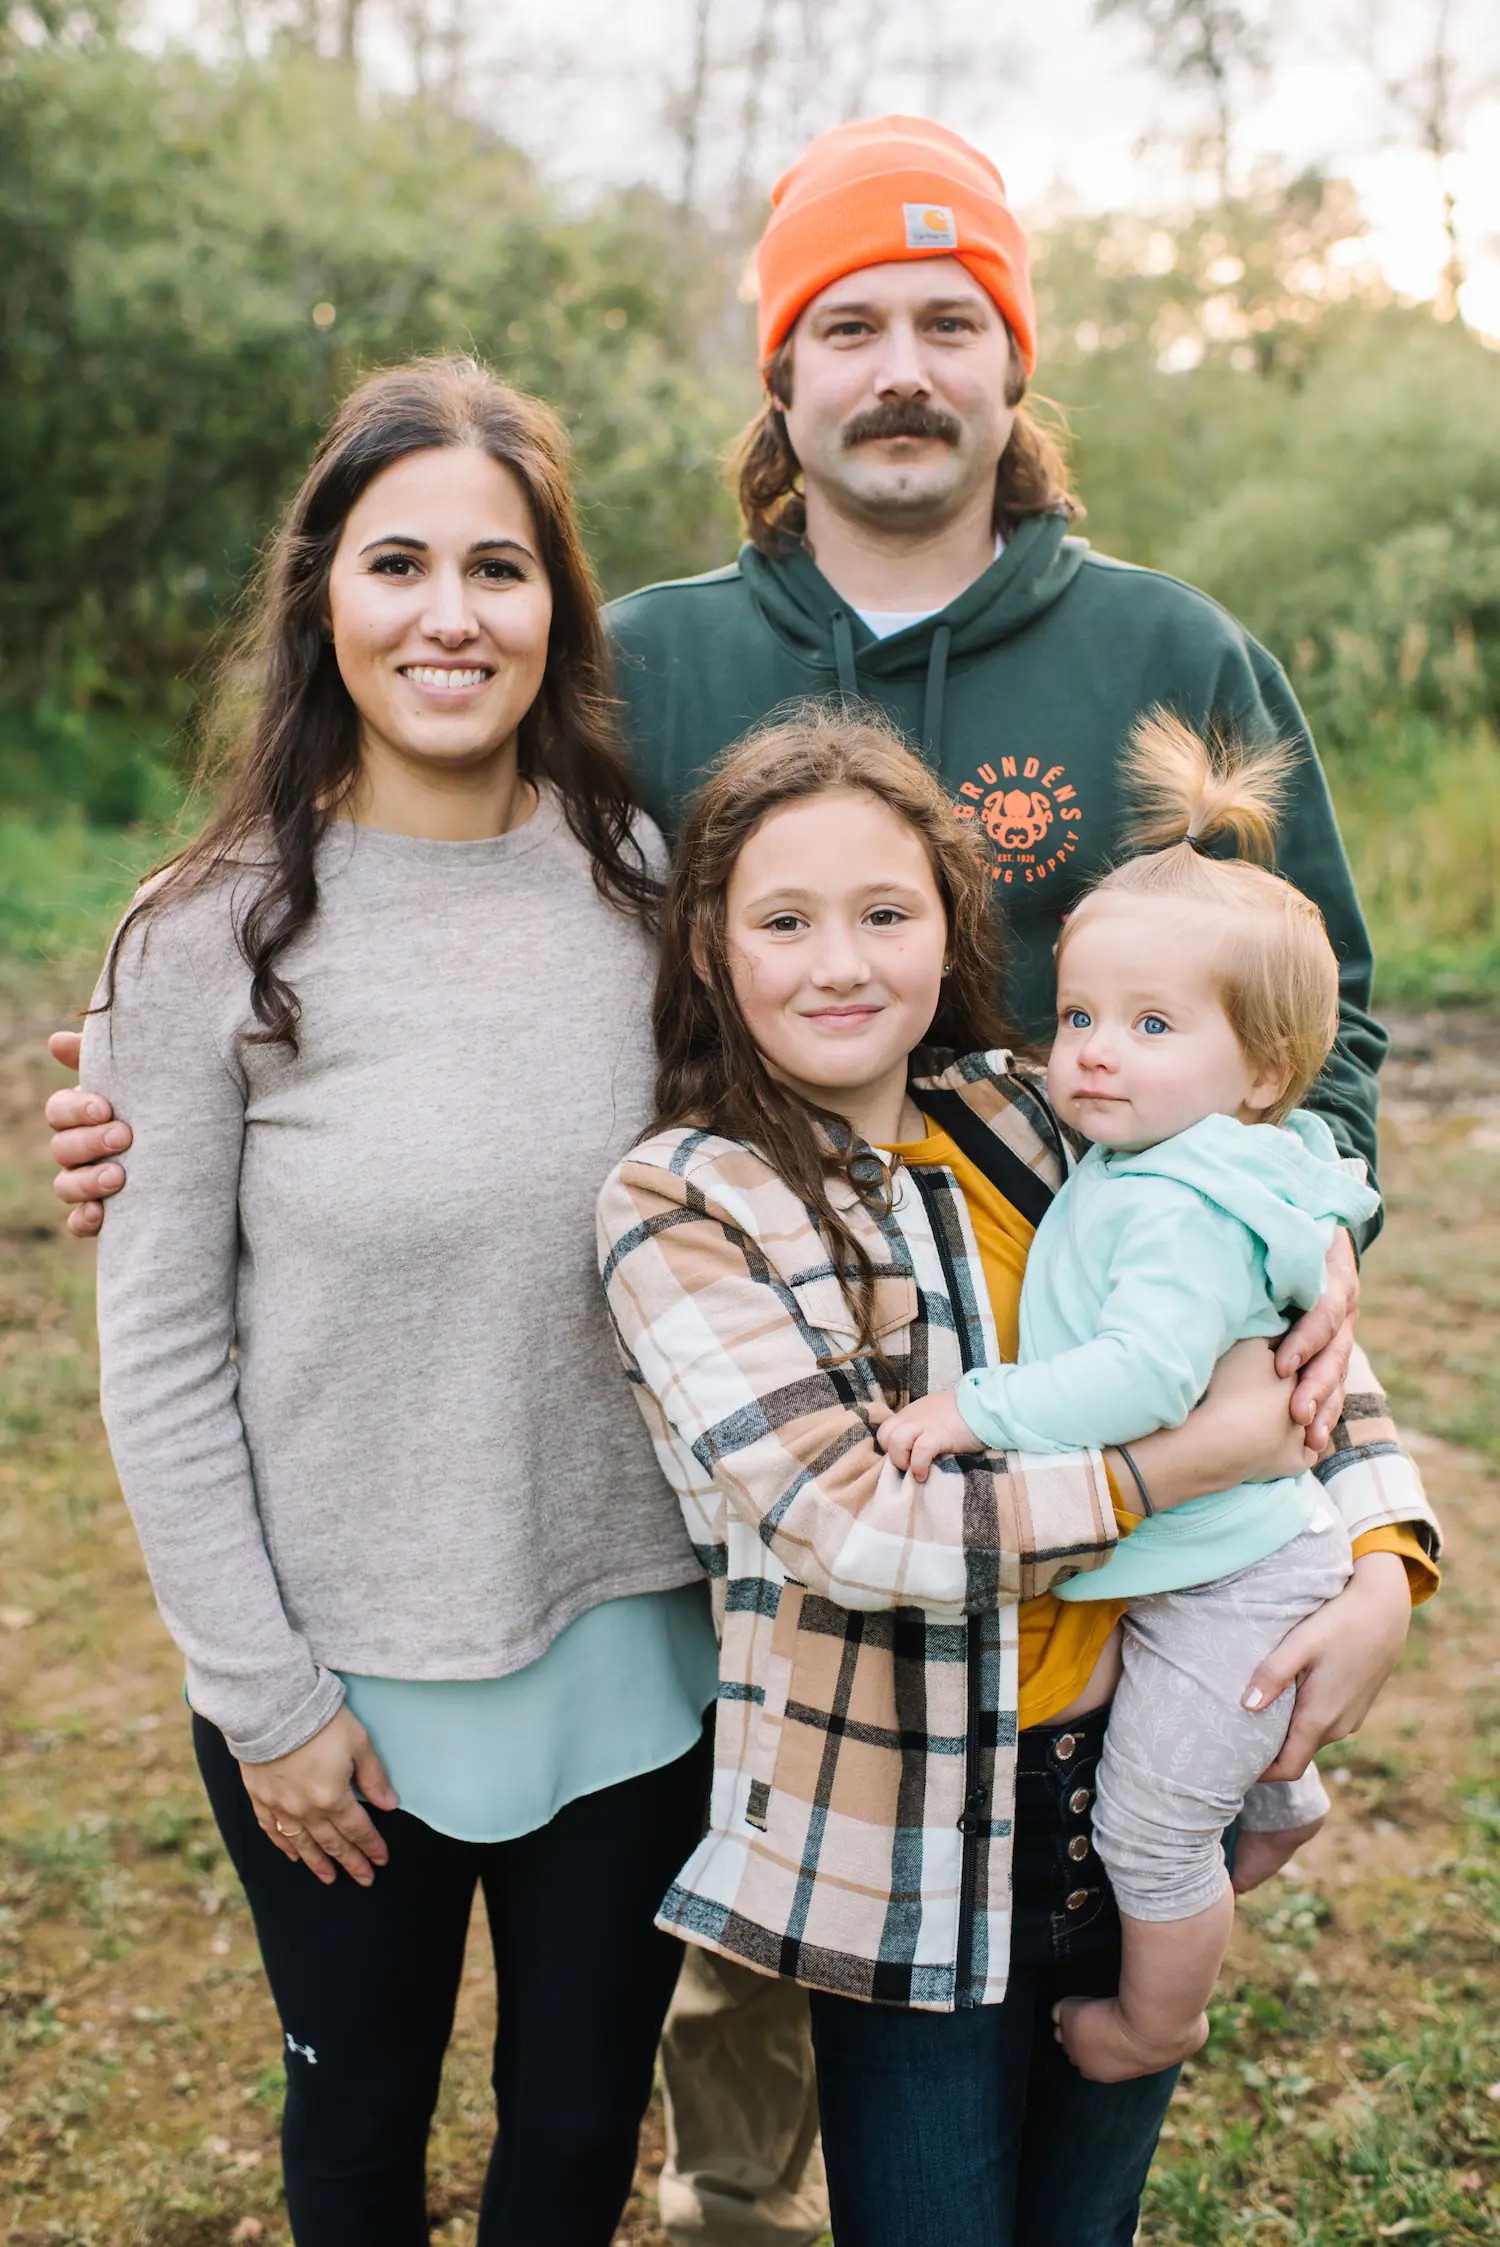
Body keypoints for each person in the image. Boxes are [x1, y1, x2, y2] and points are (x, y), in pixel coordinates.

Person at [47, 110, 1436, 2247]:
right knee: (709, 2084)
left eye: (951, 320)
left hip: (1079, 1531)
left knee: (973, 2074)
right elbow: (425, 930)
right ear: (777, 378)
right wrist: (142, 1089)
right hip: (760, 1537)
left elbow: (1300, 1058)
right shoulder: (650, 670)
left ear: (1017, 360)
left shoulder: (1169, 663)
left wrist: (1346, 1406)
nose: (903, 366)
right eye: (847, 324)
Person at [596, 708, 1439, 2246]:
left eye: (886, 913)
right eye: (783, 921)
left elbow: (1276, 1321)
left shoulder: (1040, 1110)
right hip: (907, 1818)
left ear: (952, 930)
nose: (840, 964)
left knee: (1085, 2215)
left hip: (1133, 1747)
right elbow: (859, 1526)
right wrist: (1182, 1463)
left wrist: (1382, 1552)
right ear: (710, 947)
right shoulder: (690, 1198)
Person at [75, 357, 719, 2246]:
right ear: (323, 598)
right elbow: (158, 1355)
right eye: (399, 563)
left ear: (557, 610)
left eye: (499, 568)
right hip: (337, 1676)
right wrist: (265, 1698)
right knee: (358, 2126)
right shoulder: (202, 933)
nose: (452, 615)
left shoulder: (648, 892)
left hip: (634, 1644)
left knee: (579, 2121)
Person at [878, 712, 1381, 2084]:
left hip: (1228, 1577)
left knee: (1148, 1831)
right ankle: (1271, 1792)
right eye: (1081, 1017)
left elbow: (1147, 1376)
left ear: (1263, 1070)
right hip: (1211, 1555)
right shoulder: (1188, 1155)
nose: (1097, 1052)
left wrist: (978, 1408)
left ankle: (1160, 2021)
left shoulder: (1171, 1205)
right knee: (1180, 1740)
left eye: (1152, 1026)